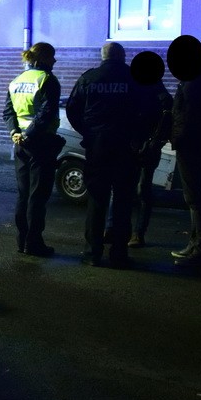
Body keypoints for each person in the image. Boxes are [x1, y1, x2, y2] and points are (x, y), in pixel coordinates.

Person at [66, 42, 147, 268]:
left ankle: (92, 253)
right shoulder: (135, 78)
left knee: (96, 200)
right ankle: (119, 254)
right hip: (126, 149)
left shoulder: (89, 78)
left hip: (97, 148)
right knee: (122, 201)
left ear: (102, 56)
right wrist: (138, 137)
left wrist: (89, 132)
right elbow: (149, 111)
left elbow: (73, 109)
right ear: (122, 57)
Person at [2, 43, 62, 257]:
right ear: (44, 58)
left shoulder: (16, 81)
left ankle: (21, 241)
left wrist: (15, 134)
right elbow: (46, 113)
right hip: (41, 143)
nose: (54, 61)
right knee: (38, 195)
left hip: (20, 144)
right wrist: (29, 134)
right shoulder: (47, 80)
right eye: (52, 57)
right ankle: (34, 243)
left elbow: (8, 112)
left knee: (23, 194)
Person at [168, 35, 201, 266]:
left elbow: (186, 118)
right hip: (198, 146)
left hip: (191, 148)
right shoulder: (200, 81)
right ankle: (196, 245)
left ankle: (199, 248)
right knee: (194, 198)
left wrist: (176, 139)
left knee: (194, 198)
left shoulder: (193, 83)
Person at [128, 51, 173, 248]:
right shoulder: (153, 90)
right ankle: (130, 232)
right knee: (137, 188)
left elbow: (165, 121)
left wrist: (155, 142)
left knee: (141, 188)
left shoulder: (158, 93)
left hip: (145, 145)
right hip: (140, 144)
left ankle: (137, 232)